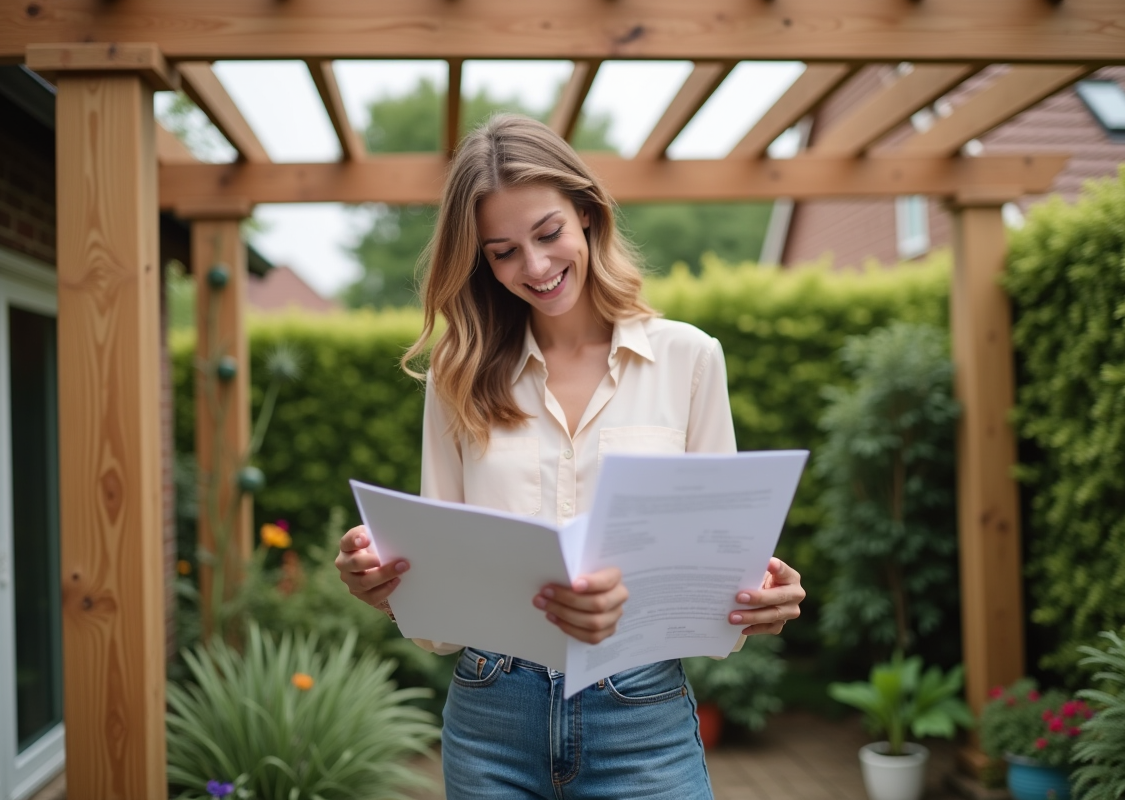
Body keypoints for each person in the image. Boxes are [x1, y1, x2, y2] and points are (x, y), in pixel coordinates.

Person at [334, 114, 805, 799]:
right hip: (492, 715)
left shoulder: (689, 360)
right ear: (480, 262)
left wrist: (759, 598)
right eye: (502, 251)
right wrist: (389, 582)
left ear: (586, 213)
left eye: (548, 233)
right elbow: (439, 608)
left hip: (641, 717)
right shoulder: (456, 376)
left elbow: (716, 574)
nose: (535, 267)